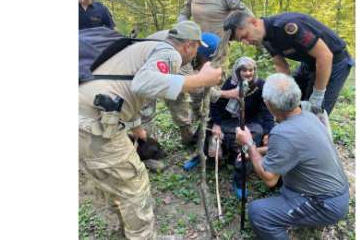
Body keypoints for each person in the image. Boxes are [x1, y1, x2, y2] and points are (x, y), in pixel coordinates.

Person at [79, 20, 222, 239]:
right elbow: (142, 84)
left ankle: (127, 231)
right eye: (195, 48)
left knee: (115, 185)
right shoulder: (170, 53)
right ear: (188, 46)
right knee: (134, 187)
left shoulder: (147, 47)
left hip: (84, 118)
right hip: (94, 126)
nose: (194, 54)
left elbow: (127, 87)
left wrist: (136, 128)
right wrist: (201, 79)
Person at [235, 73, 349, 239]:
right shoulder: (309, 116)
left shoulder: (282, 132)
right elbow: (293, 147)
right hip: (337, 192)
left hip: (326, 204)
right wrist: (257, 151)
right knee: (280, 181)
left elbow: (269, 179)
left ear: (268, 103)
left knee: (258, 213)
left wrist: (249, 144)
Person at [178, 0, 255, 134]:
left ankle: (213, 124)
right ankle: (198, 122)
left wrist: (233, 36)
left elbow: (248, 18)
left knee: (214, 89)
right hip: (194, 52)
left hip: (217, 54)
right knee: (194, 86)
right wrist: (184, 29)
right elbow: (183, 15)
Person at [224, 11, 354, 116]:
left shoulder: (288, 27)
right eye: (242, 40)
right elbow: (281, 65)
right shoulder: (265, 38)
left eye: (245, 35)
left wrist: (318, 95)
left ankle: (314, 141)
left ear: (254, 22)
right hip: (309, 64)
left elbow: (325, 56)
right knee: (289, 103)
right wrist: (285, 89)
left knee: (315, 114)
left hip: (334, 63)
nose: (246, 42)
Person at [138, 30, 237, 147]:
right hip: (141, 73)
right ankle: (149, 149)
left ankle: (187, 134)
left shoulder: (193, 42)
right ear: (202, 54)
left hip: (164, 68)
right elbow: (195, 88)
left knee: (178, 95)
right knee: (145, 113)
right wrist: (224, 94)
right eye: (209, 60)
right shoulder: (181, 54)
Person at [208, 57, 275, 198]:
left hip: (250, 123)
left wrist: (268, 133)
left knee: (253, 138)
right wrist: (217, 124)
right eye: (244, 70)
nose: (248, 73)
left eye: (251, 70)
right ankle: (203, 156)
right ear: (237, 71)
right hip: (230, 121)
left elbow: (266, 111)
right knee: (209, 128)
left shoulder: (260, 85)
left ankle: (239, 178)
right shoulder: (230, 84)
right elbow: (215, 105)